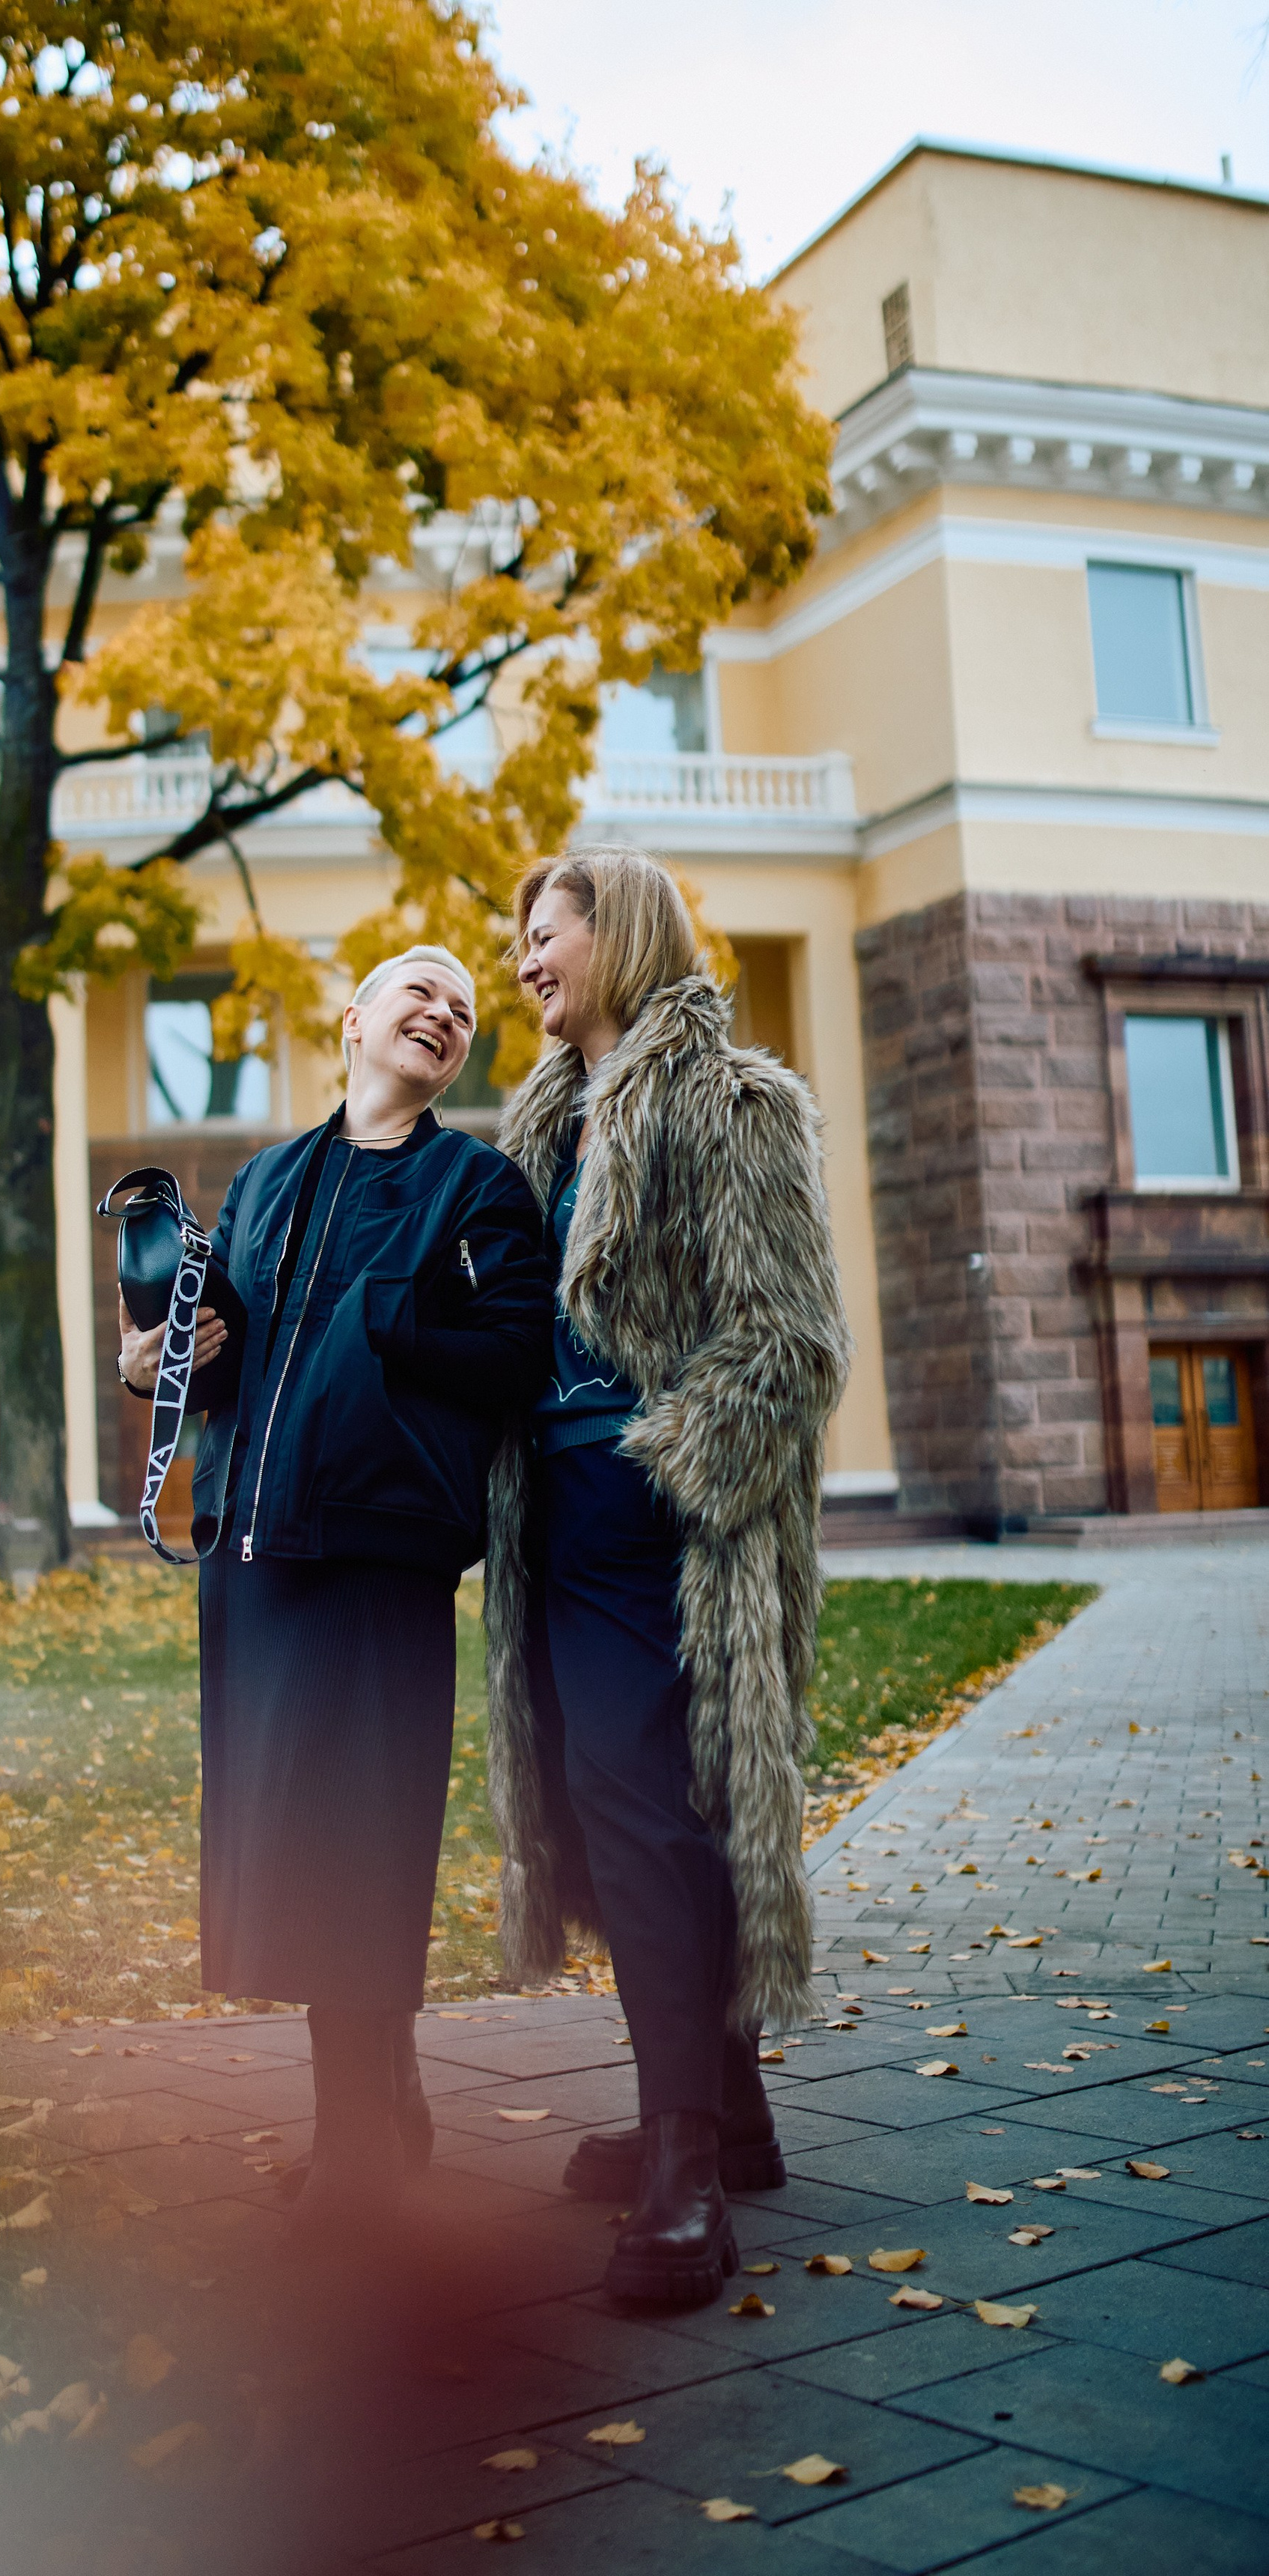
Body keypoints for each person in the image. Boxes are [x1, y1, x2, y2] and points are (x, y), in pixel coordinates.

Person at [117, 946, 552, 2238]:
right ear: (353, 1021)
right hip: (256, 1555)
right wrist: (161, 1362)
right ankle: (370, 2114)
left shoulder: (476, 1185)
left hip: (380, 1553)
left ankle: (365, 2134)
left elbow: (517, 1352)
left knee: (366, 1847)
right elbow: (232, 1360)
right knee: (299, 1856)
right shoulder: (263, 1185)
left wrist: (382, 1322)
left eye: (466, 1009)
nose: (448, 1011)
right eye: (420, 991)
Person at [482, 851, 849, 2312]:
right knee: (624, 1811)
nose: (521, 958)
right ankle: (728, 2111)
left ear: (614, 930)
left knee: (645, 1817)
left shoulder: (732, 1104)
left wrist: (660, 1467)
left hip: (661, 1519)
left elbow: (791, 1341)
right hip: (555, 1527)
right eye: (514, 936)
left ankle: (684, 2164)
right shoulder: (533, 1129)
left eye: (540, 930)